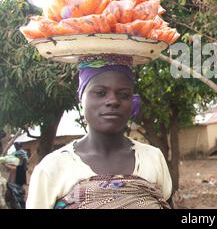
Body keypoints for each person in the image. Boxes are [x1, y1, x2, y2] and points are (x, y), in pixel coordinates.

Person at [26, 54, 172, 209]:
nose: (113, 101)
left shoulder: (152, 158)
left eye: (123, 94)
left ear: (132, 102)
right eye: (100, 92)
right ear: (81, 99)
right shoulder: (52, 168)